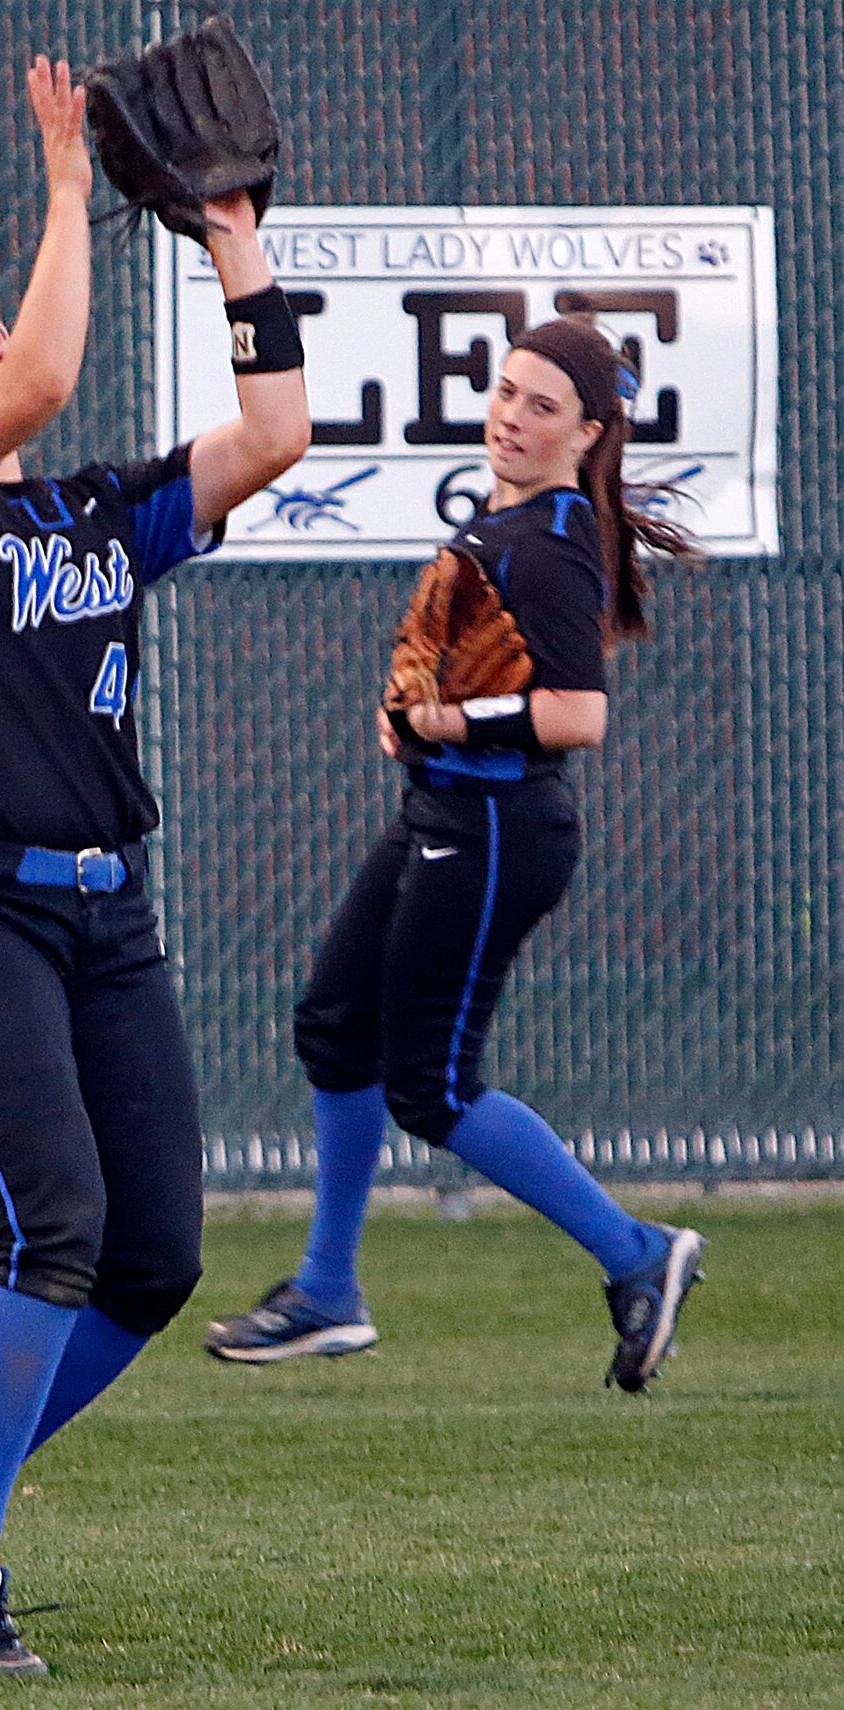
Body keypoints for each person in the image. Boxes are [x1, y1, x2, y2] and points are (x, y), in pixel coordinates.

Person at [0, 54, 310, 1677]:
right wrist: (61, 184)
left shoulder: (98, 518)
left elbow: (274, 431)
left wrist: (235, 239)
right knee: (54, 1223)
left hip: (110, 917)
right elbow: (36, 379)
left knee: (156, 1253)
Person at [205, 314, 705, 1393]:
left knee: (429, 1086)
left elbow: (576, 715)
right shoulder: (515, 521)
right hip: (444, 817)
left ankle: (638, 1254)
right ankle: (327, 1292)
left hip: (496, 830)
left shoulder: (556, 541)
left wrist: (450, 724)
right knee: (336, 1026)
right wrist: (418, 715)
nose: (513, 418)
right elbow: (480, 670)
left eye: (542, 406)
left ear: (588, 432)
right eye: (508, 392)